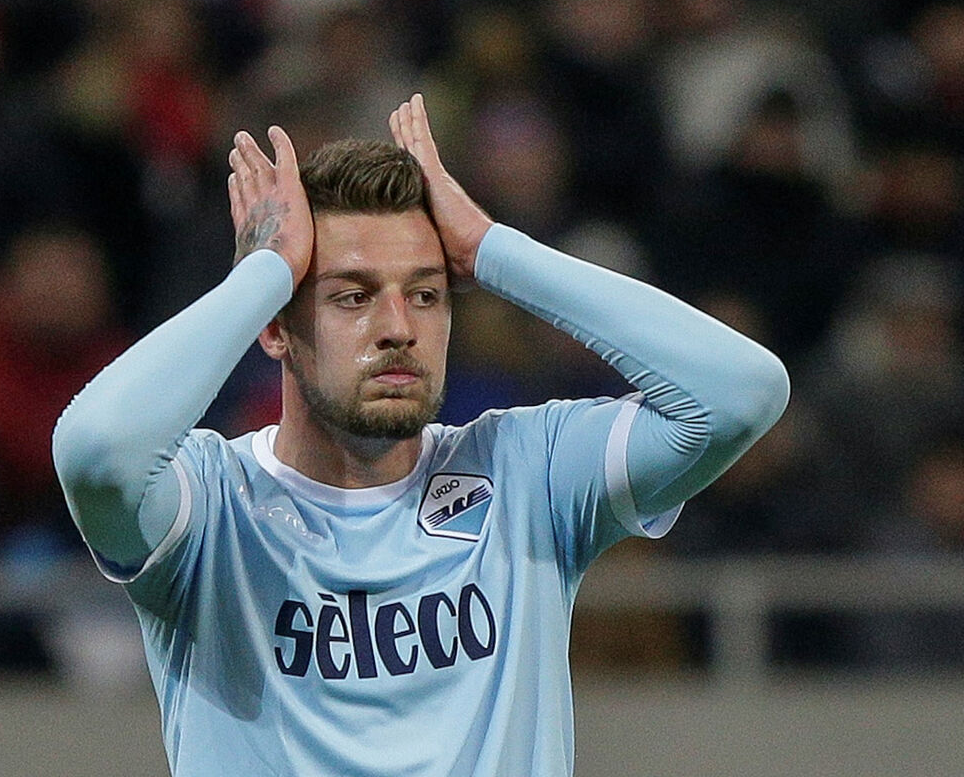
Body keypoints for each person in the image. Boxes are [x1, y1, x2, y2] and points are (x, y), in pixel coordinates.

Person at [51, 94, 789, 776]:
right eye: (352, 297)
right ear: (275, 328)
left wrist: (491, 248)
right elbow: (96, 451)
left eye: (427, 294)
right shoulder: (210, 507)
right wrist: (265, 274)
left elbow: (740, 394)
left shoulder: (526, 474)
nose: (399, 328)